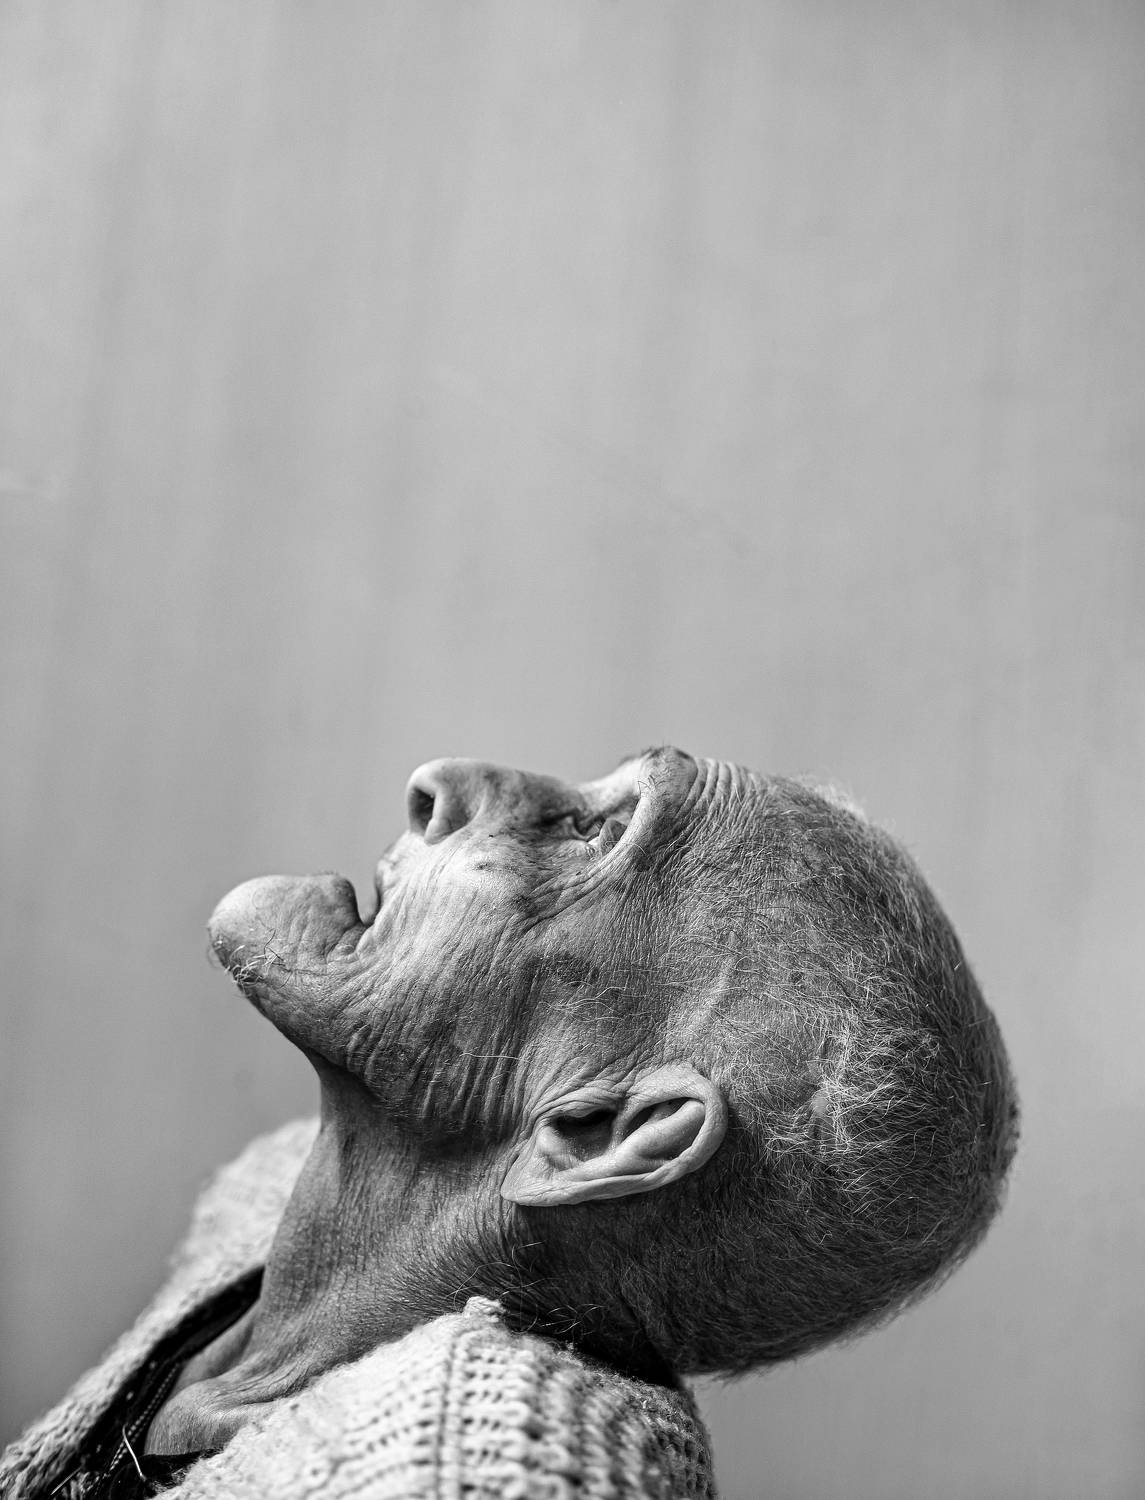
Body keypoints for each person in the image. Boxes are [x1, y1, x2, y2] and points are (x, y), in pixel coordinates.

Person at [2, 747, 1018, 1499]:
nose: (444, 779)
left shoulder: (471, 1464)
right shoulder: (266, 1198)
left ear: (600, 1131)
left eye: (592, 834)